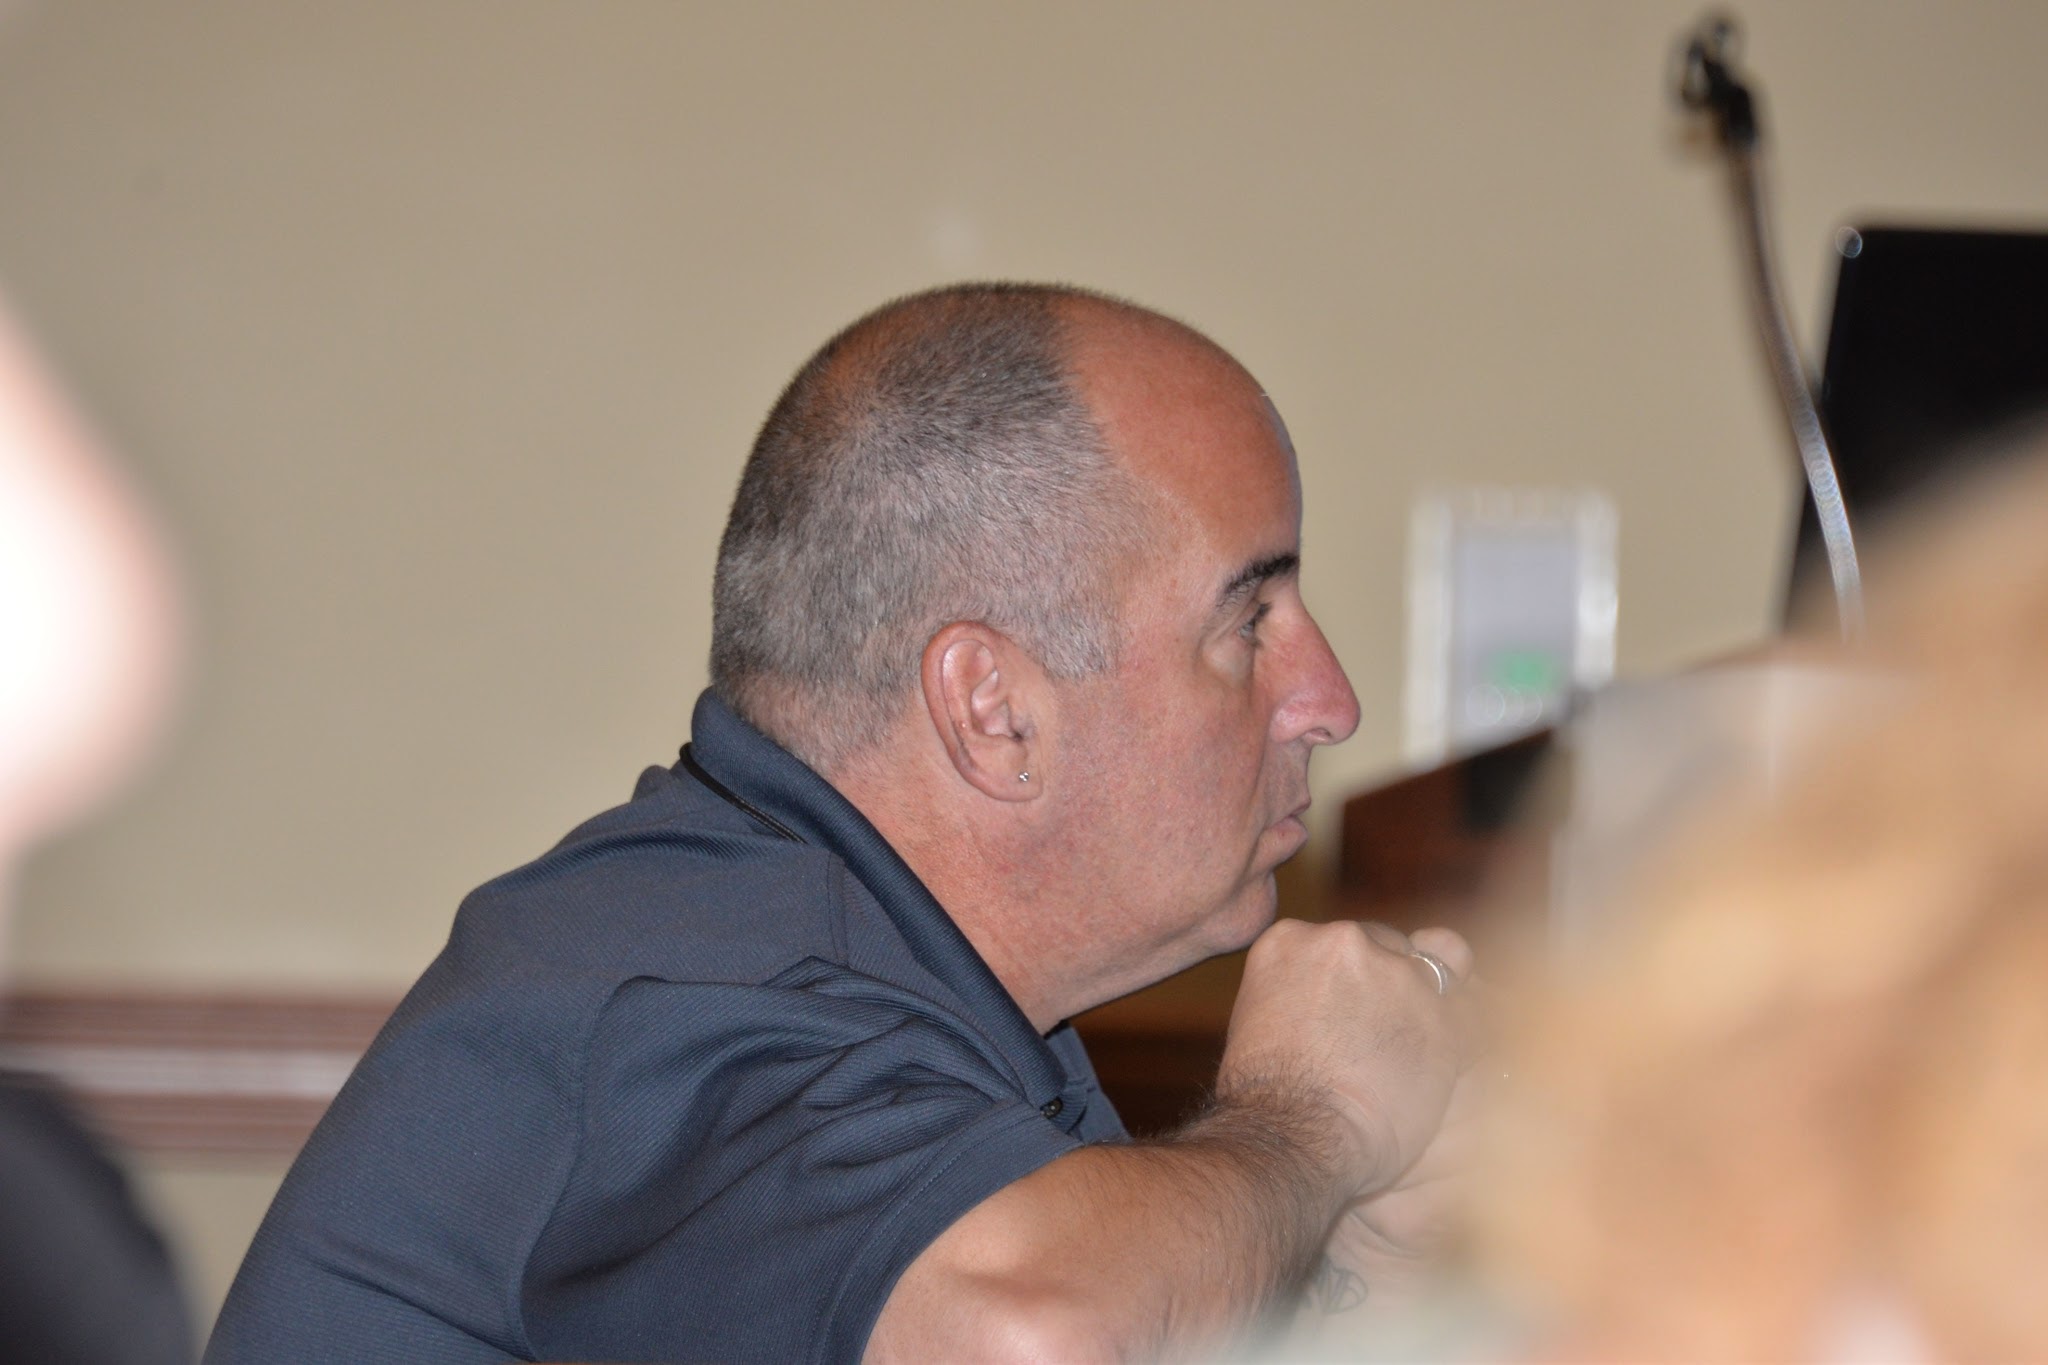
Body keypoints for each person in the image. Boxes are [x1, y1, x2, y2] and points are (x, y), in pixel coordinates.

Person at [208, 283, 1476, 1363]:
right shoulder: (677, 1001)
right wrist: (1316, 1122)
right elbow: (1023, 1337)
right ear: (994, 711)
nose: (1329, 703)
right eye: (1248, 622)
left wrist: (1362, 1250)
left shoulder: (907, 1002)